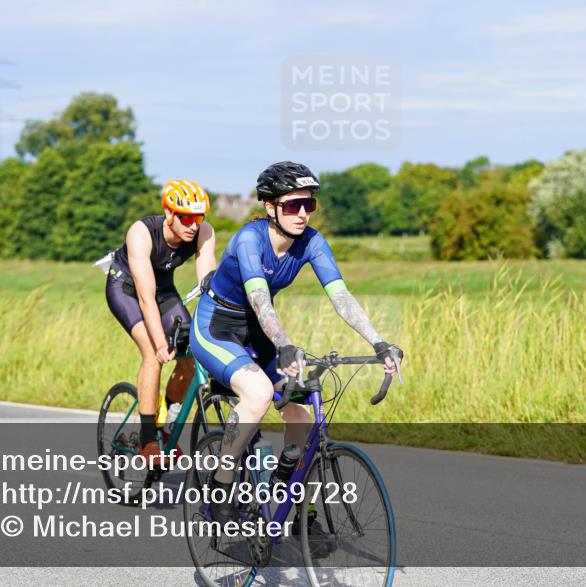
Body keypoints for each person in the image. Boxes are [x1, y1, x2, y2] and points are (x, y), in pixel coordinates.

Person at [189, 161, 403, 525]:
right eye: (292, 205)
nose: (303, 213)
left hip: (258, 331)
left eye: (309, 205)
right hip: (218, 326)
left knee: (299, 406)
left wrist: (378, 342)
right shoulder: (249, 240)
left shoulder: (312, 243)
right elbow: (259, 298)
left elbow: (341, 296)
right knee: (256, 395)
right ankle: (221, 483)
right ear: (270, 206)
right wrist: (286, 344)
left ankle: (288, 486)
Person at [104, 179, 216, 461]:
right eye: (186, 218)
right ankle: (146, 439)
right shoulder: (141, 232)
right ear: (169, 214)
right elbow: (145, 297)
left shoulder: (204, 232)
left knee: (191, 356)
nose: (193, 225)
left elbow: (208, 284)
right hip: (127, 289)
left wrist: (215, 330)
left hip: (164, 291)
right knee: (153, 355)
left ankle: (166, 425)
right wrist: (158, 343)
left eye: (198, 217)